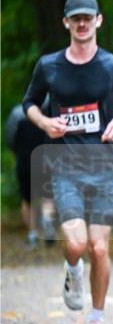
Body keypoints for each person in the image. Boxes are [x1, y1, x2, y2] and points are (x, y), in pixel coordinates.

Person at [22, 0, 113, 324]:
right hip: (65, 167)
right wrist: (45, 123)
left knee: (100, 248)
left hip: (103, 166)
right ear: (66, 23)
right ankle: (72, 270)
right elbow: (29, 102)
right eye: (75, 18)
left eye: (87, 18)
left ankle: (96, 320)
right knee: (76, 246)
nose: (81, 23)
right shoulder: (49, 66)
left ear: (98, 21)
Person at [5, 101, 56, 248]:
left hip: (24, 161)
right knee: (48, 196)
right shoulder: (50, 112)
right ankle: (47, 221)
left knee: (28, 200)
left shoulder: (17, 114)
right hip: (46, 161)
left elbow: (10, 138)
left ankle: (33, 233)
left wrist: (18, 152)